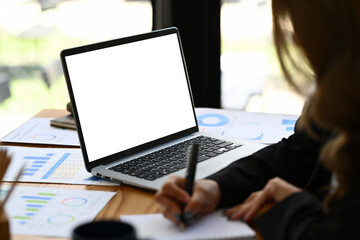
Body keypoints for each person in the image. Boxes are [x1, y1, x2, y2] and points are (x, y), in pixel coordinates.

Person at [155, 0, 360, 239]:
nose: (295, 39)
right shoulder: (345, 96)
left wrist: (292, 202)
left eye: (301, 24)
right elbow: (299, 152)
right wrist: (218, 186)